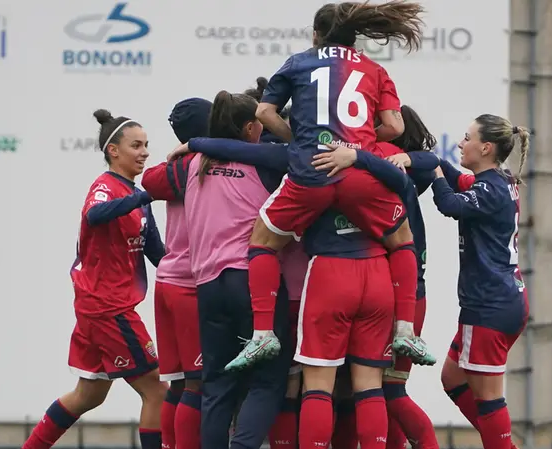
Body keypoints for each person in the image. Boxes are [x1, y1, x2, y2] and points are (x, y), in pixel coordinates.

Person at [176, 121, 439, 449]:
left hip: (326, 276)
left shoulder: (308, 158)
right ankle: (405, 330)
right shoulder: (383, 154)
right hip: (379, 278)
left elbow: (249, 152)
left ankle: (262, 334)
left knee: (314, 386)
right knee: (371, 387)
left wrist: (199, 142)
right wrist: (382, 159)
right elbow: (429, 169)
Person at [231, 1, 436, 370]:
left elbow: (263, 112)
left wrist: (300, 138)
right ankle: (405, 330)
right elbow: (396, 127)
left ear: (316, 34)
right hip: (358, 173)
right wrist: (355, 142)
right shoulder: (374, 69)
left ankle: (262, 334)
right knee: (402, 238)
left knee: (262, 241)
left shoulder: (298, 62)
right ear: (354, 38)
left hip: (312, 172)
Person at [22, 110, 167, 449]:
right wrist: (145, 195)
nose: (145, 152)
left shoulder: (136, 195)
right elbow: (95, 214)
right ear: (113, 150)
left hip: (99, 307)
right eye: (136, 145)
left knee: (89, 395)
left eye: (147, 145)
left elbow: (157, 252)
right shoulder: (106, 187)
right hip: (108, 309)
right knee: (156, 390)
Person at [311, 105, 439, 449]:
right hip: (389, 286)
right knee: (362, 390)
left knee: (384, 390)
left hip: (399, 289)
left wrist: (403, 160)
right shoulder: (378, 161)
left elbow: (433, 163)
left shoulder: (390, 161)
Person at [176, 91, 296, 449]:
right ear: (249, 129)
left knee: (216, 384)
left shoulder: (192, 162)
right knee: (268, 381)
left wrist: (195, 144)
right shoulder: (266, 162)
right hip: (254, 282)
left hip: (209, 286)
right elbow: (292, 154)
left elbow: (153, 179)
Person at [431, 114, 530, 449]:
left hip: (489, 306)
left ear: (485, 147)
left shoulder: (489, 189)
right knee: (452, 377)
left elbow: (448, 204)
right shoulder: (496, 180)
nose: (460, 143)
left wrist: (432, 172)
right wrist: (434, 162)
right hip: (498, 301)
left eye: (467, 137)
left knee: (488, 397)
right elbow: (460, 182)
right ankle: (500, 443)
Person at [141, 98, 213, 449]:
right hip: (189, 285)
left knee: (181, 384)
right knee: (197, 385)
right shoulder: (205, 163)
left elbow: (150, 179)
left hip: (167, 280)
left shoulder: (173, 168)